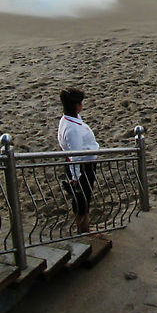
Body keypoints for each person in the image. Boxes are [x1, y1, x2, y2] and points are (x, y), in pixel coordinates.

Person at [57, 87, 99, 234]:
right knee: (81, 200)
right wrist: (76, 178)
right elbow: (76, 155)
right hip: (82, 168)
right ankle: (83, 230)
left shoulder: (68, 119)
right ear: (76, 106)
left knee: (83, 199)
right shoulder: (72, 128)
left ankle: (85, 227)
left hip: (83, 165)